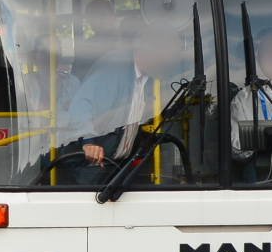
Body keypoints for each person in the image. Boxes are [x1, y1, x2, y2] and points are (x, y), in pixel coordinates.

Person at [63, 20, 185, 164]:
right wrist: (88, 143)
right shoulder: (113, 70)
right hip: (89, 167)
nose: (164, 62)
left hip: (116, 165)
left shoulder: (146, 78)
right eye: (161, 56)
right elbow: (81, 105)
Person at [73, 0, 119, 80]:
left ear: (114, 17)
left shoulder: (127, 42)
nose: (97, 20)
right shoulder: (84, 47)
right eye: (92, 17)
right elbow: (76, 77)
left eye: (102, 16)